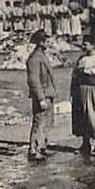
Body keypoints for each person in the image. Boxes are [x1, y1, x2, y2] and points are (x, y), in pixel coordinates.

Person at [71, 35, 95, 156]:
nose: (83, 46)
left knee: (94, 116)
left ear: (93, 45)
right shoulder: (81, 59)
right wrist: (72, 92)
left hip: (93, 90)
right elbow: (74, 77)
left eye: (86, 44)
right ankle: (85, 144)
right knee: (82, 116)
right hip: (80, 91)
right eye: (83, 44)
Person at [26, 30, 56, 162]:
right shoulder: (35, 58)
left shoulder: (42, 55)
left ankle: (42, 146)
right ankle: (33, 150)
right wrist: (41, 98)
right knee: (38, 122)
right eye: (46, 41)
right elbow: (33, 80)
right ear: (40, 42)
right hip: (42, 95)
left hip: (47, 93)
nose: (48, 43)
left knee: (47, 121)